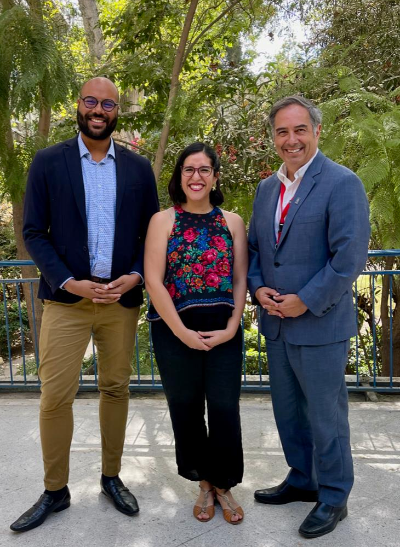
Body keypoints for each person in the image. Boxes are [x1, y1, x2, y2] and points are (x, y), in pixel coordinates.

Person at [10, 77, 159, 533]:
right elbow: (34, 231)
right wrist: (69, 282)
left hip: (120, 300)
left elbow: (150, 234)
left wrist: (135, 276)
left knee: (116, 388)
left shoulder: (137, 169)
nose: (99, 109)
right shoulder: (48, 162)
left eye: (108, 103)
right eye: (91, 101)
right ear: (78, 106)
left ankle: (111, 478)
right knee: (56, 396)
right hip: (65, 300)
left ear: (117, 112)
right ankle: (55, 489)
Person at [248, 96, 370, 538]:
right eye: (282, 131)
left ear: (317, 132)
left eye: (300, 129)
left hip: (319, 323)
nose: (291, 139)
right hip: (277, 323)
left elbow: (348, 258)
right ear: (273, 138)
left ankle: (334, 496)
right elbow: (258, 249)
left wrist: (306, 299)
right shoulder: (266, 190)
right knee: (289, 413)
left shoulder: (342, 183)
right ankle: (303, 479)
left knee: (326, 417)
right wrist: (257, 286)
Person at [144, 142, 247, 525]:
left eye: (205, 170)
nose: (196, 177)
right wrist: (182, 332)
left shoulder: (232, 221)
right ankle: (204, 482)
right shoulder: (163, 220)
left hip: (224, 331)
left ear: (216, 177)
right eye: (189, 169)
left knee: (223, 409)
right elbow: (153, 281)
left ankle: (224, 483)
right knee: (186, 408)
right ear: (179, 177)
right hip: (174, 332)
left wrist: (233, 325)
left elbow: (239, 279)